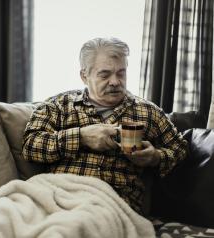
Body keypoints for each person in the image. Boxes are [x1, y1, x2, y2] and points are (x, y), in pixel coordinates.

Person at [21, 37, 188, 214]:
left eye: (121, 73)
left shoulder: (148, 112)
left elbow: (179, 149)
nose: (115, 81)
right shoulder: (58, 106)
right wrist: (81, 137)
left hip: (112, 205)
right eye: (105, 74)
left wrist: (155, 157)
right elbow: (30, 146)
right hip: (57, 195)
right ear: (84, 76)